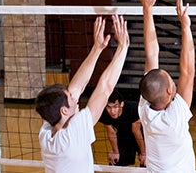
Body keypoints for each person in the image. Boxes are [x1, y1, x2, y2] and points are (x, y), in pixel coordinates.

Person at [35, 15, 130, 173]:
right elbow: (105, 88)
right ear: (64, 110)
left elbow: (76, 88)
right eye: (71, 98)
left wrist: (97, 48)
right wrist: (123, 47)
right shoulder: (72, 135)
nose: (75, 98)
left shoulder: (46, 133)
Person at [134, 0, 196, 172]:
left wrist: (147, 9)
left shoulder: (145, 108)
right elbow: (188, 71)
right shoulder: (175, 116)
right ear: (170, 90)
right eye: (170, 78)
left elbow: (151, 53)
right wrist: (185, 25)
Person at [99, 90, 146, 166]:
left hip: (142, 136)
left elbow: (136, 131)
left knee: (146, 163)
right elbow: (111, 132)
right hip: (124, 136)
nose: (112, 111)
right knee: (115, 161)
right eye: (109, 107)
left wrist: (143, 153)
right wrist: (115, 152)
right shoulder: (104, 113)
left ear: (122, 104)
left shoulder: (133, 109)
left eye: (115, 106)